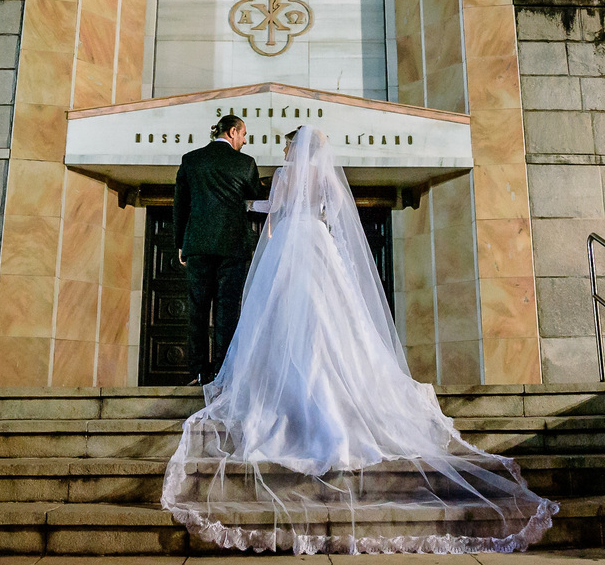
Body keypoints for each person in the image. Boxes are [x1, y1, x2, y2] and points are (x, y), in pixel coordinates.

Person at [162, 126, 558, 554]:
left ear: (293, 147)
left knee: (278, 316)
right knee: (330, 321)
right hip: (317, 244)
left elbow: (271, 210)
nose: (282, 149)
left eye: (286, 144)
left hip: (287, 246)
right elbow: (335, 216)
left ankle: (268, 385)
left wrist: (236, 205)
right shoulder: (322, 176)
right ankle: (335, 391)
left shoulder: (282, 174)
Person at [172, 114, 262, 386]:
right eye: (244, 135)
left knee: (197, 310)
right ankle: (222, 374)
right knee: (227, 311)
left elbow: (180, 205)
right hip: (232, 247)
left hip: (198, 246)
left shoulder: (191, 159)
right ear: (233, 132)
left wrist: (180, 243)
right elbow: (257, 197)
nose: (245, 141)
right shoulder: (245, 164)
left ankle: (198, 372)